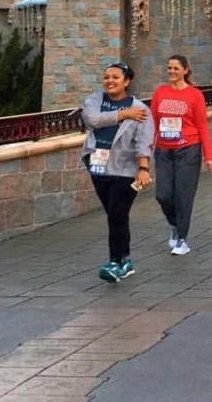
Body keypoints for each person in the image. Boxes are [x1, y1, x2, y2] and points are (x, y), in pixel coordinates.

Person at [80, 62, 155, 282]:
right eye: (106, 77)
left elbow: (143, 141)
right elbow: (92, 119)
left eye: (115, 77)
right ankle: (125, 260)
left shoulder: (140, 109)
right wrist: (123, 114)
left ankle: (115, 262)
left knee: (117, 215)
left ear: (126, 81)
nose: (110, 81)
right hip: (98, 166)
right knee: (114, 215)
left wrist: (143, 168)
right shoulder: (95, 100)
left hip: (125, 169)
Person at [150, 54, 212, 256]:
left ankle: (182, 239)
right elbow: (152, 123)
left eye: (176, 68)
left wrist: (208, 155)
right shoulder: (160, 92)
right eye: (169, 68)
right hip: (163, 150)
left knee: (183, 196)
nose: (171, 72)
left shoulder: (195, 95)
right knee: (163, 194)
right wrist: (146, 149)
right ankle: (175, 225)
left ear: (186, 70)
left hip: (188, 149)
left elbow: (202, 126)